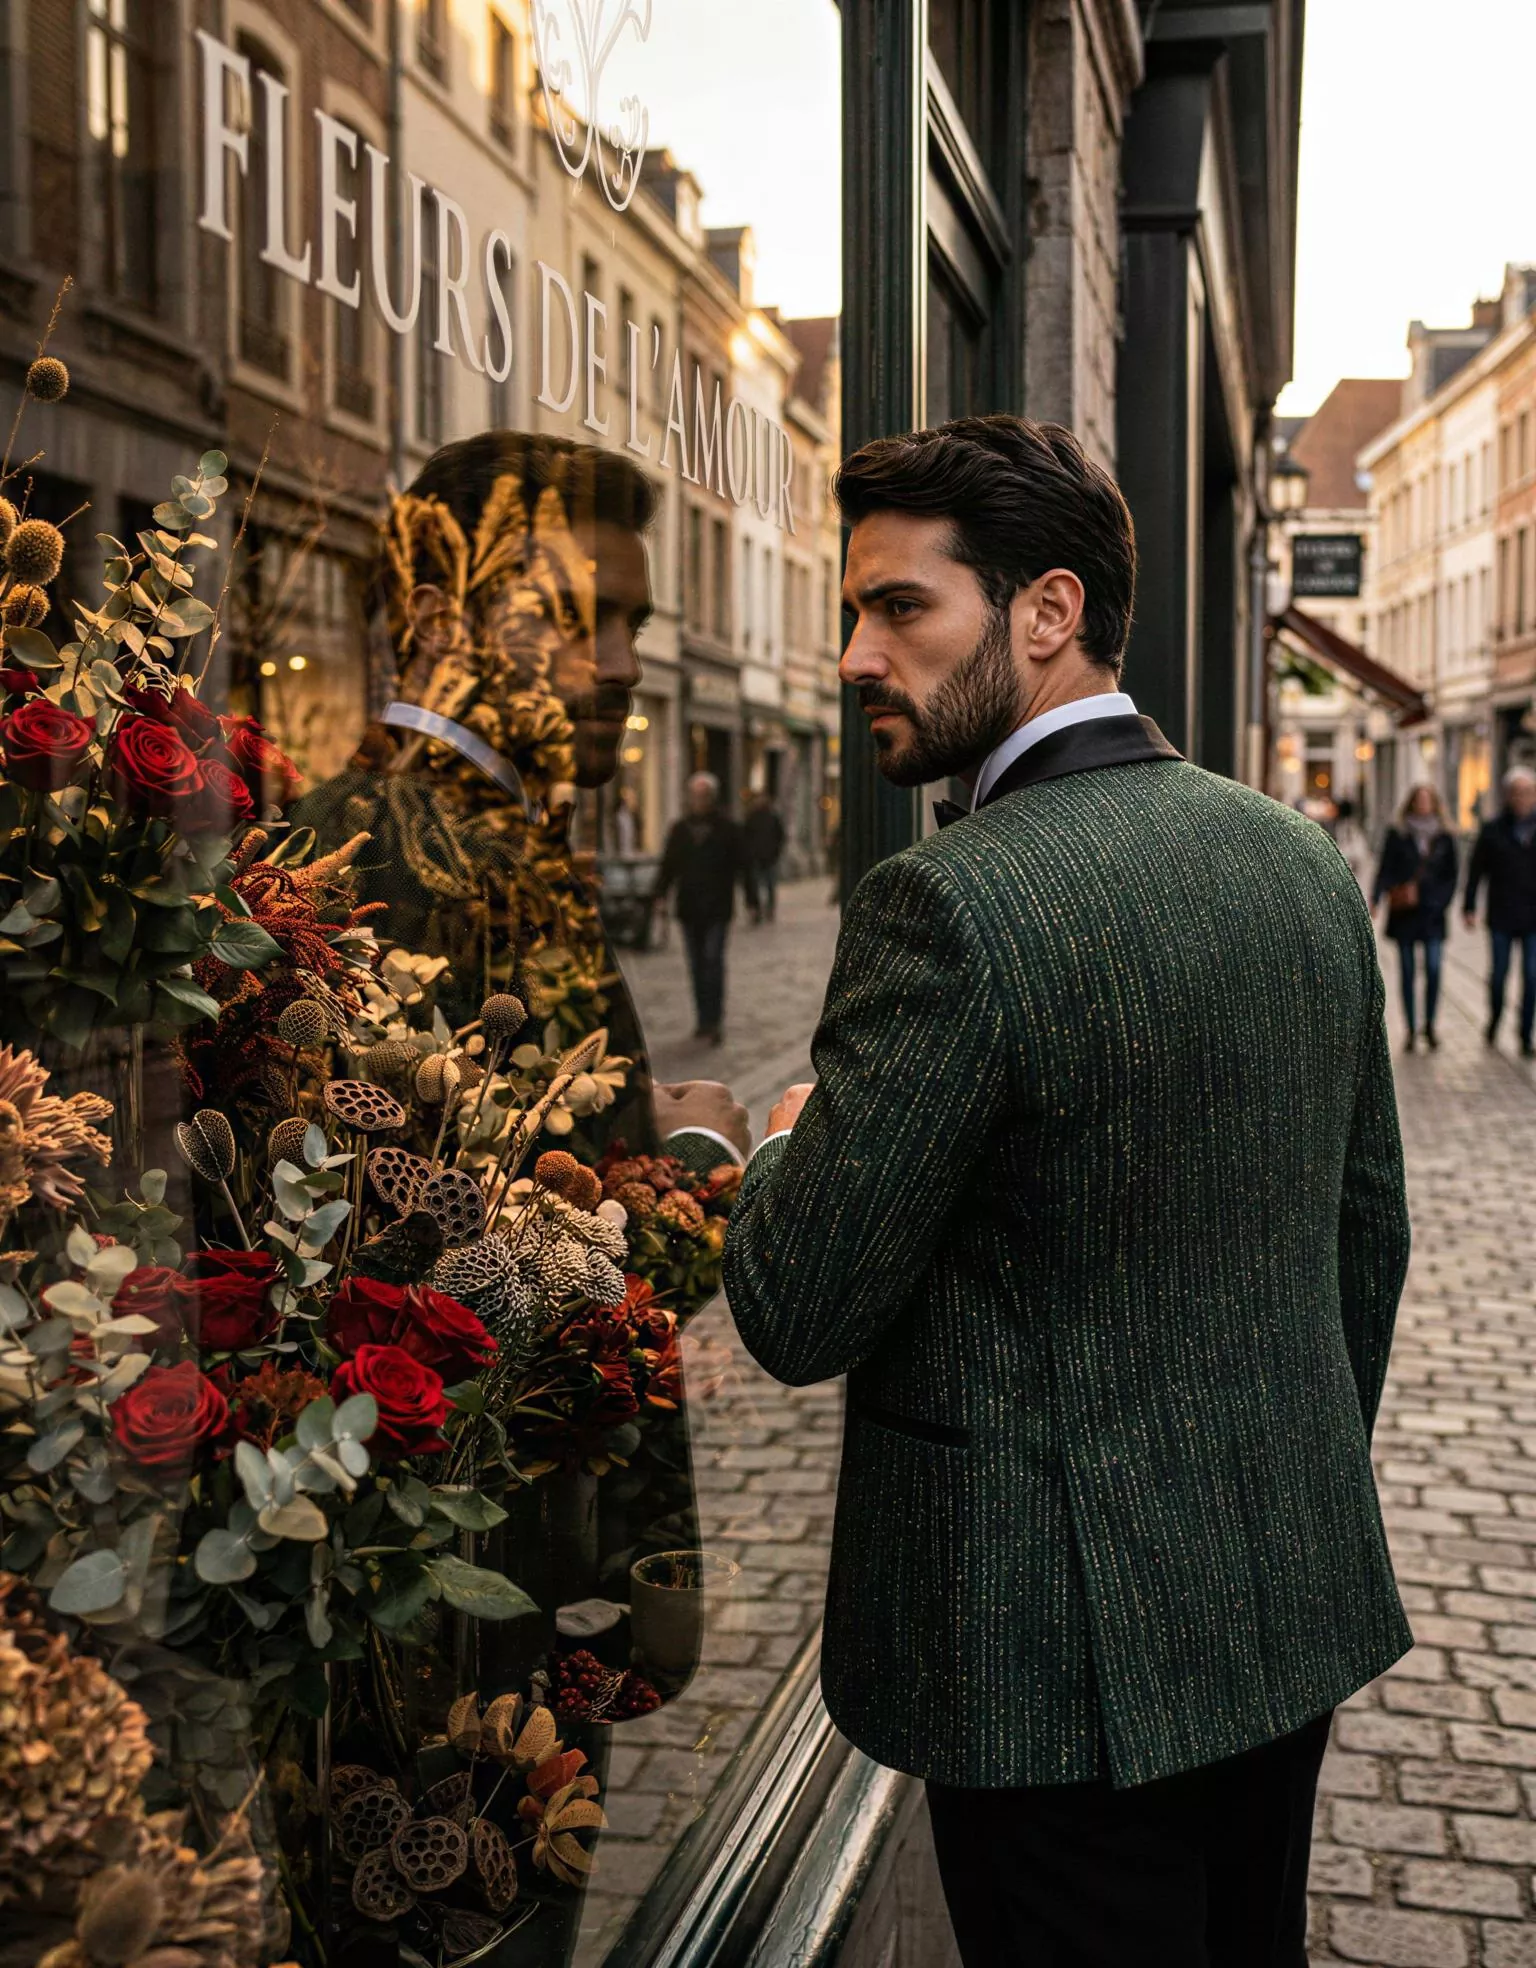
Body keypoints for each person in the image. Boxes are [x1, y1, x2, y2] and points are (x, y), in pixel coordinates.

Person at [722, 415, 1411, 1967]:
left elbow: (796, 1305)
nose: (854, 656)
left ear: (1046, 614)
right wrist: (1259, 1502)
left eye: (901, 607)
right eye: (856, 611)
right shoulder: (1299, 861)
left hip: (1046, 1675)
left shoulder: (950, 903)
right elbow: (1366, 1244)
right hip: (1276, 1616)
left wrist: (772, 1145)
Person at [656, 772, 744, 1043]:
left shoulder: (727, 828)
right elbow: (668, 865)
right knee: (696, 966)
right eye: (694, 796)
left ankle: (715, 1019)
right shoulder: (680, 829)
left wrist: (753, 900)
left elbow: (742, 864)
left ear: (712, 798)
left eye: (703, 796)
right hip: (689, 907)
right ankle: (703, 1019)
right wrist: (660, 895)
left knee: (713, 962)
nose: (698, 801)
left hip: (717, 907)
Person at [1373, 784, 1458, 1052]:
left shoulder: (1445, 835)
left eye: (1427, 800)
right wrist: (1376, 897)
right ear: (1411, 803)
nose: (1423, 804)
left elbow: (1453, 875)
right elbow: (1384, 868)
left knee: (1433, 969)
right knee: (1408, 971)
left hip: (1433, 914)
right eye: (1419, 800)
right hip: (1405, 913)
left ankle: (1430, 1025)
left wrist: (1441, 902)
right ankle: (1411, 1028)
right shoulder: (1398, 833)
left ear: (1434, 804)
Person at [1464, 765, 1536, 1057]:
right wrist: (1469, 905)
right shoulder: (1493, 829)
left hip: (1533, 916)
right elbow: (1476, 870)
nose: (1521, 798)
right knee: (1499, 975)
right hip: (1502, 915)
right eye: (1516, 793)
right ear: (1507, 796)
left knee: (1532, 976)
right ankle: (1494, 1019)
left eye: (1527, 793)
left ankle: (1525, 1033)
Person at [742, 790, 786, 924]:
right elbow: (745, 836)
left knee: (769, 886)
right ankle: (757, 911)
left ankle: (769, 910)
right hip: (755, 858)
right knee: (755, 886)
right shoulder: (751, 817)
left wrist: (776, 851)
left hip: (770, 858)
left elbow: (780, 836)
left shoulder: (773, 817)